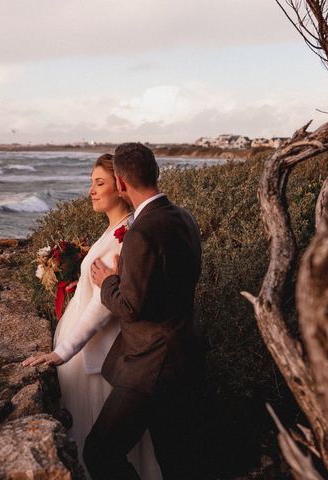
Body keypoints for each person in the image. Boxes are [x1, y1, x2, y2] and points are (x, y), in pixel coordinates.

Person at [22, 154, 162, 480]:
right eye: (91, 183)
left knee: (96, 444)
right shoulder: (113, 230)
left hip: (94, 358)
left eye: (99, 183)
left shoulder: (124, 235)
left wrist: (60, 353)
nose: (91, 192)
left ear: (121, 185)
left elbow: (103, 307)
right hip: (86, 353)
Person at [87, 143, 205, 480]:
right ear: (154, 173)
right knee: (176, 461)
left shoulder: (142, 231)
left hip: (152, 365)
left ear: (121, 183)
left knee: (99, 451)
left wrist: (107, 281)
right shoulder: (183, 216)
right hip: (185, 353)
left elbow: (130, 305)